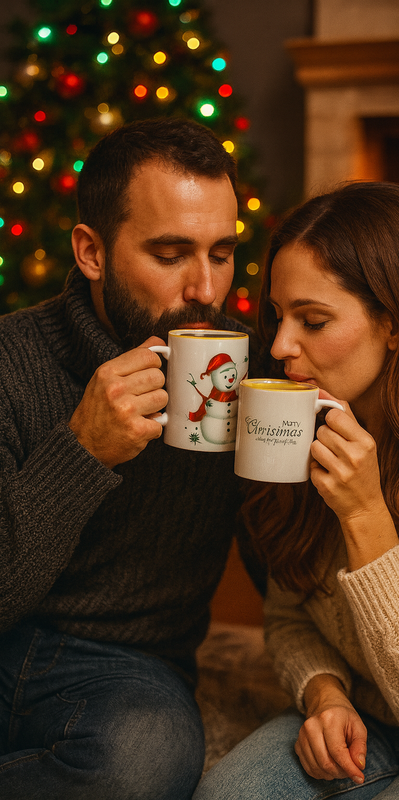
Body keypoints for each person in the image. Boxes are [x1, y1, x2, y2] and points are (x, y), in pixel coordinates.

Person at [193, 181, 399, 800]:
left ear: (395, 325)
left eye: (313, 321)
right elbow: (290, 610)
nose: (279, 347)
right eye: (278, 316)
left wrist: (365, 513)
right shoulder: (315, 421)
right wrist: (324, 694)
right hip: (368, 715)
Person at [0, 116, 264, 800]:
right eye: (171, 253)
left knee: (147, 759)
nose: (206, 289)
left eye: (222, 252)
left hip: (125, 664)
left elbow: (282, 575)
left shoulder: (249, 369)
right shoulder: (10, 360)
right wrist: (81, 450)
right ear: (91, 252)